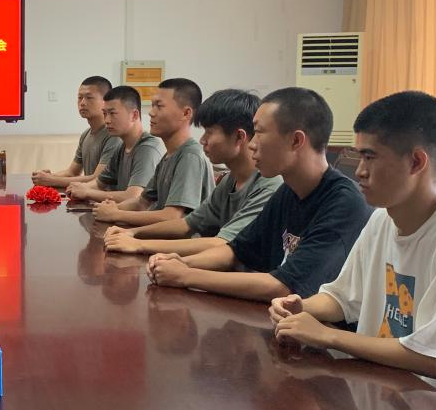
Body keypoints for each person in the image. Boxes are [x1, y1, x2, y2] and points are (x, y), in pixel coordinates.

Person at [270, 91, 436, 378]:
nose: (359, 171)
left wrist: (329, 336)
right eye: (359, 157)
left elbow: (432, 357)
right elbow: (343, 297)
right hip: (373, 390)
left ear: (415, 162)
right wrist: (300, 307)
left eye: (370, 157)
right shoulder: (381, 219)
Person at [148, 87, 372, 302]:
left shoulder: (344, 203)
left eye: (260, 133)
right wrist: (183, 263)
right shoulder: (289, 191)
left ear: (296, 140)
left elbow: (284, 286)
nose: (252, 144)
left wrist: (185, 275)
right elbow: (237, 251)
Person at [104, 89, 281, 255]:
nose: (203, 140)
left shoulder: (269, 185)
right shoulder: (230, 180)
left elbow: (222, 243)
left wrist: (139, 244)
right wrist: (132, 233)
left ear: (239, 137)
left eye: (209, 132)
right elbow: (187, 224)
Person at [93, 78, 214, 227]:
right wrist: (111, 208)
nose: (151, 113)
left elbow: (172, 216)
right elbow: (141, 203)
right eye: (152, 105)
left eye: (159, 106)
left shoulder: (190, 156)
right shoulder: (168, 156)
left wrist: (115, 214)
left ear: (186, 113)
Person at [66, 85, 164, 203]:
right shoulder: (121, 148)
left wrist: (87, 192)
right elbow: (98, 183)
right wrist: (78, 187)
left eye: (113, 113)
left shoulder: (148, 148)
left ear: (134, 115)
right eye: (105, 113)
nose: (107, 120)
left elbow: (133, 196)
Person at [32, 76, 121, 188]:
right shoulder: (86, 134)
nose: (82, 103)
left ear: (106, 102)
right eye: (80, 98)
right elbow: (72, 172)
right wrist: (45, 177)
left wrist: (51, 180)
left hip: (107, 197)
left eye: (89, 97)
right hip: (88, 195)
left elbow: (97, 179)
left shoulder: (113, 135)